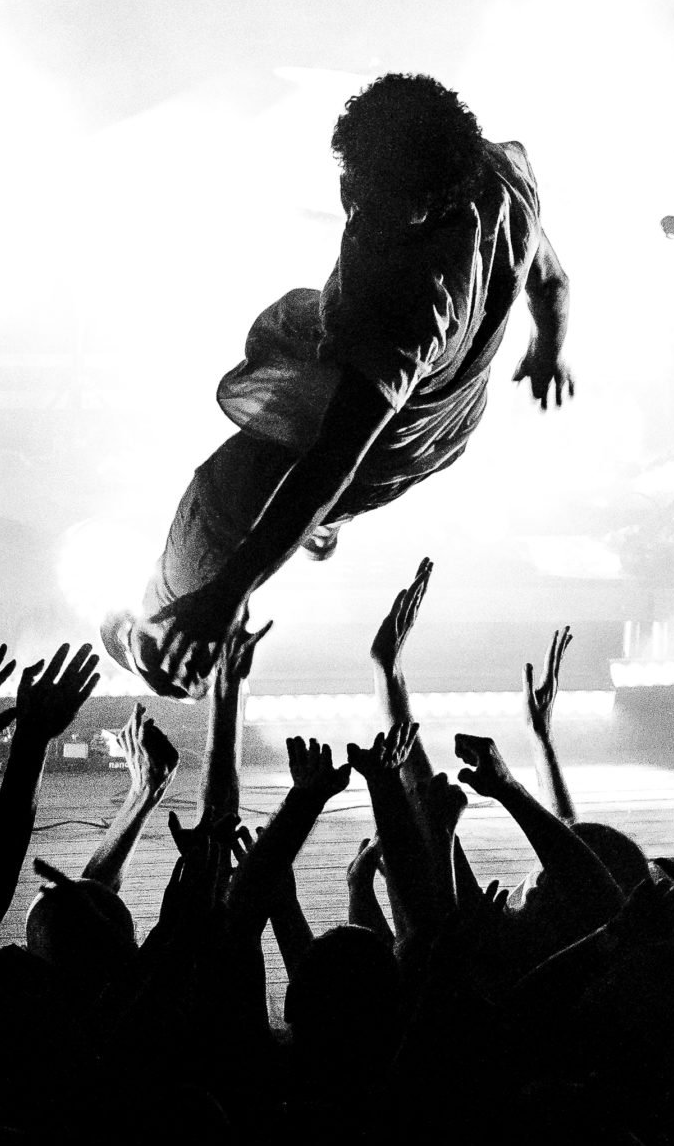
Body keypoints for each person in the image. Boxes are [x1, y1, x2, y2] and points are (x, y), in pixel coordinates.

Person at [101, 72, 575, 698]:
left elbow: (332, 460)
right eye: (354, 179)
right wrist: (547, 351)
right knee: (308, 417)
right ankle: (315, 525)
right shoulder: (497, 175)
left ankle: (154, 646)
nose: (356, 201)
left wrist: (224, 597)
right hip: (446, 413)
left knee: (221, 501)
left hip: (391, 436)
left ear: (426, 202)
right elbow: (553, 282)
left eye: (378, 197)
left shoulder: (407, 303)